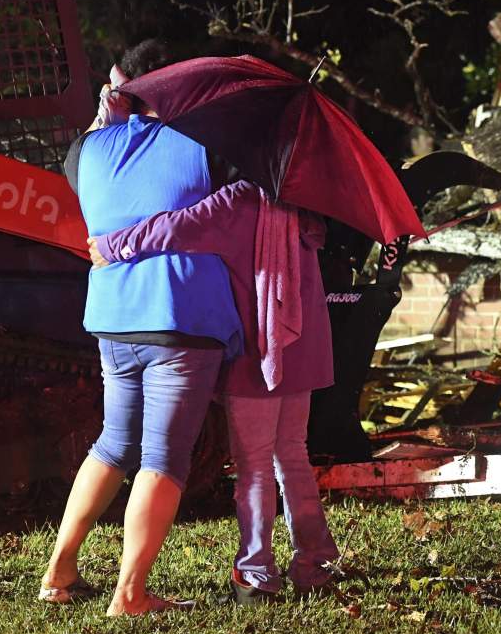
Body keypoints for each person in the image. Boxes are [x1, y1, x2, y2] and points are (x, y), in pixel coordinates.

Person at [39, 40, 243, 616]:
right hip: (180, 317)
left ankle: (59, 570)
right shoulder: (204, 144)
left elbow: (87, 174)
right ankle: (129, 593)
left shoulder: (88, 151)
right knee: (164, 458)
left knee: (113, 442)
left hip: (112, 319)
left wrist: (107, 117)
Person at [87, 180, 340, 603]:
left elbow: (172, 228)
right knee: (293, 454)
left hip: (261, 348)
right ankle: (314, 563)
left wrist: (111, 246)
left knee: (254, 464)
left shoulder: (238, 200)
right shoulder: (305, 204)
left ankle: (257, 575)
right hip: (304, 349)